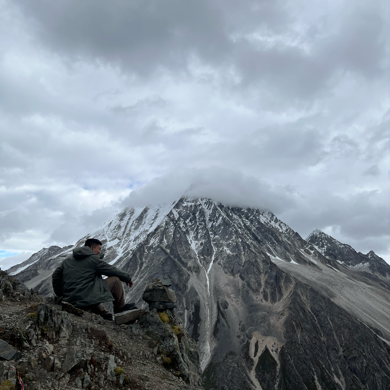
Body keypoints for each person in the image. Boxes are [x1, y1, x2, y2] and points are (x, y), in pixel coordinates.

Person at [52, 238, 135, 320]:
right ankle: (120, 308)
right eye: (99, 249)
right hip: (85, 297)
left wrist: (61, 294)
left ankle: (103, 313)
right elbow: (111, 270)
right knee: (115, 280)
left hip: (70, 299)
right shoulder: (93, 259)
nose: (99, 252)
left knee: (89, 287)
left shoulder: (67, 260)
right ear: (92, 248)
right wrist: (127, 278)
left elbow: (55, 276)